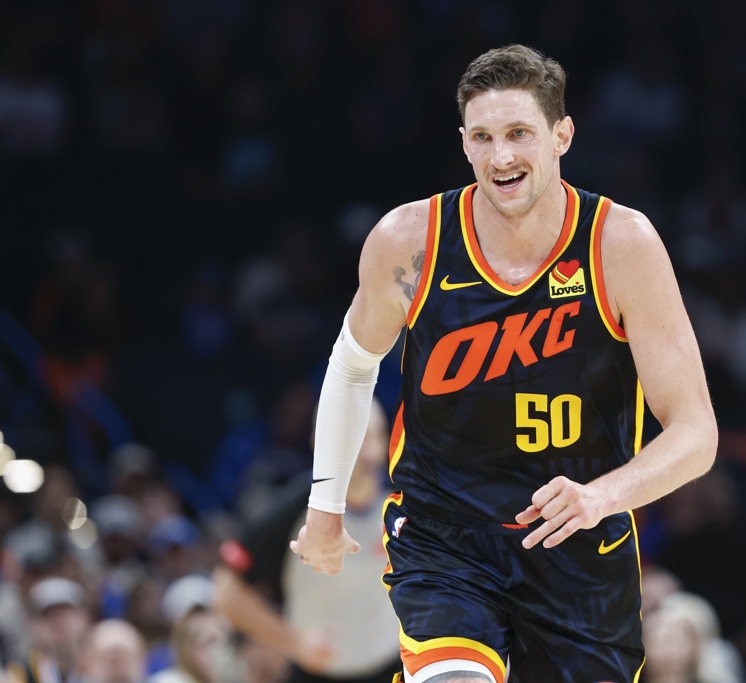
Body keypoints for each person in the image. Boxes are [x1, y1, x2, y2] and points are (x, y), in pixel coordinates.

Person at [288, 43, 718, 683]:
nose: (501, 157)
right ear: (463, 143)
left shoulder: (619, 244)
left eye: (519, 133)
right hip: (445, 538)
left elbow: (696, 432)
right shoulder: (409, 241)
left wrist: (603, 496)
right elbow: (352, 365)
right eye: (483, 137)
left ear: (561, 135)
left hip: (578, 546)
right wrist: (325, 507)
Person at [213, 398, 401, 683]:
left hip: (394, 670)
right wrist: (294, 642)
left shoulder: (403, 502)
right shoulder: (291, 510)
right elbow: (225, 592)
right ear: (320, 443)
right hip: (316, 674)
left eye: (376, 436)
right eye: (356, 438)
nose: (370, 452)